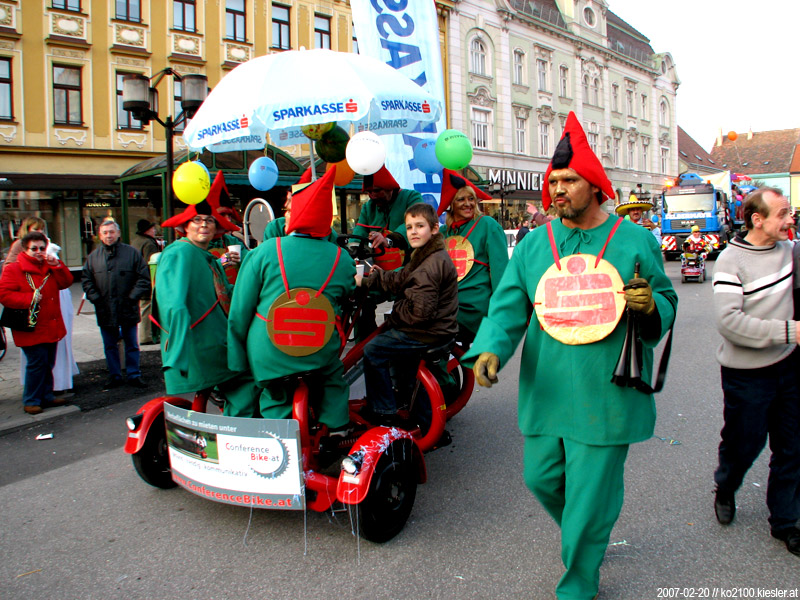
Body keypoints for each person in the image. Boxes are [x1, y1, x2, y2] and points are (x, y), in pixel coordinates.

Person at [464, 112, 677, 600]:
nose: (557, 191)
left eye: (569, 181)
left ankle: (579, 580)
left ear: (596, 185)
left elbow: (665, 300)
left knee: (588, 492)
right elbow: (509, 304)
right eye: (553, 181)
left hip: (608, 387)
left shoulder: (635, 239)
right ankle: (589, 534)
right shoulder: (535, 244)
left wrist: (650, 307)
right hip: (550, 385)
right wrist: (491, 349)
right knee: (541, 478)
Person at [227, 166, 355, 431]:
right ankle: (336, 430)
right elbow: (343, 297)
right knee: (332, 380)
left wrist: (238, 359)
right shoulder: (341, 257)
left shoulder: (264, 251)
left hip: (270, 352)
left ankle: (276, 430)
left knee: (275, 392)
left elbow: (239, 312)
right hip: (318, 348)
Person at [711, 187, 800, 557]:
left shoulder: (792, 252)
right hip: (746, 374)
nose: (790, 219)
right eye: (782, 213)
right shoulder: (731, 261)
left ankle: (785, 522)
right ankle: (726, 485)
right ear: (757, 219)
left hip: (790, 367)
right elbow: (730, 323)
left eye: (790, 212)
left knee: (792, 448)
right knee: (744, 444)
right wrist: (790, 331)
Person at [154, 196, 259, 414]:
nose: (203, 224)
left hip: (212, 343)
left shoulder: (203, 255)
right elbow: (173, 304)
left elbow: (226, 294)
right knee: (251, 377)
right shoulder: (179, 252)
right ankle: (238, 434)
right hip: (202, 347)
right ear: (185, 226)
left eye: (209, 220)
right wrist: (177, 353)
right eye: (197, 220)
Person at [359, 202, 459, 425]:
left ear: (434, 229)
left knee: (373, 350)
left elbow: (419, 315)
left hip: (427, 331)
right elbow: (402, 278)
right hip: (434, 327)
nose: (413, 231)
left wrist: (394, 315)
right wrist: (372, 279)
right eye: (409, 226)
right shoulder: (425, 254)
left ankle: (383, 410)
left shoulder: (430, 264)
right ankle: (403, 401)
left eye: (419, 226)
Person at [3, 217, 78, 398]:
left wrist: (58, 266)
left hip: (50, 325)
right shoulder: (14, 269)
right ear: (25, 249)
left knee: (48, 363)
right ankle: (31, 400)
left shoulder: (50, 265)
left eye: (41, 248)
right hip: (31, 326)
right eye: (34, 248)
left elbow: (66, 282)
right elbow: (4, 294)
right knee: (36, 364)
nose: (38, 252)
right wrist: (30, 299)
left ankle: (46, 396)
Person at [438, 169, 508, 344]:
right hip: (448, 303)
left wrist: (501, 310)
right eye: (461, 199)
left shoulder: (486, 225)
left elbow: (501, 271)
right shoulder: (443, 232)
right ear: (451, 204)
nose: (467, 204)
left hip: (474, 306)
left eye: (471, 198)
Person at [81, 219, 151, 389]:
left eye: (112, 232)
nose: (109, 235)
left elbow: (144, 277)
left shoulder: (132, 253)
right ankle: (115, 375)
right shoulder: (93, 258)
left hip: (127, 306)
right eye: (105, 233)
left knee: (132, 344)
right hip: (105, 308)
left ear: (118, 233)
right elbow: (86, 280)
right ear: (100, 235)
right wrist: (95, 298)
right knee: (110, 345)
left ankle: (134, 374)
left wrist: (132, 297)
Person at [352, 165, 422, 271]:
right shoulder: (368, 207)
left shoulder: (412, 197)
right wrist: (353, 249)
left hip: (412, 268)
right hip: (381, 272)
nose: (372, 196)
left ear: (389, 188)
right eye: (369, 192)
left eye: (376, 190)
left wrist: (389, 240)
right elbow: (359, 233)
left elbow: (415, 222)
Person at [204, 172, 248, 284]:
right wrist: (224, 261)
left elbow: (250, 262)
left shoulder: (232, 241)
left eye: (229, 216)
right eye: (223, 215)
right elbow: (199, 271)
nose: (227, 220)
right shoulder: (199, 243)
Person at [131, 219, 159, 345]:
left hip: (135, 278)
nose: (154, 231)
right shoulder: (149, 243)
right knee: (147, 306)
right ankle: (146, 336)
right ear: (147, 230)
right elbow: (152, 262)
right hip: (146, 279)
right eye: (152, 228)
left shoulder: (135, 241)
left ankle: (144, 335)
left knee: (142, 306)